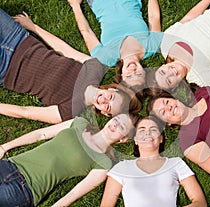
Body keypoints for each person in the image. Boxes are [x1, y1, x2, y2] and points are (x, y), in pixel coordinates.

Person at [0, 9, 141, 124]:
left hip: (6, 69)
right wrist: (33, 27)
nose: (104, 100)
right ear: (112, 89)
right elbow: (64, 49)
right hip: (18, 37)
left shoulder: (69, 111)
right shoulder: (95, 68)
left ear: (105, 113)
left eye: (108, 106)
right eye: (111, 97)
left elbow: (26, 111)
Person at [0, 113, 137, 206]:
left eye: (122, 127)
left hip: (25, 190)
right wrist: (4, 147)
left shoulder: (104, 163)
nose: (115, 125)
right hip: (10, 165)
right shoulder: (80, 123)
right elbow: (41, 134)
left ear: (124, 139)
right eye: (116, 119)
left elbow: (74, 193)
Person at [100, 116, 207, 207]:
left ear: (161, 138)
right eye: (142, 130)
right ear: (136, 140)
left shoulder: (175, 163)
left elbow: (200, 202)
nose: (148, 133)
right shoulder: (121, 168)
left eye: (154, 129)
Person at [67, 0, 163, 93]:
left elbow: (86, 32)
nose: (133, 71)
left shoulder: (105, 58)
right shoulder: (152, 46)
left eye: (129, 76)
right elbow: (154, 16)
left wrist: (75, 5)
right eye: (138, 74)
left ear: (122, 75)